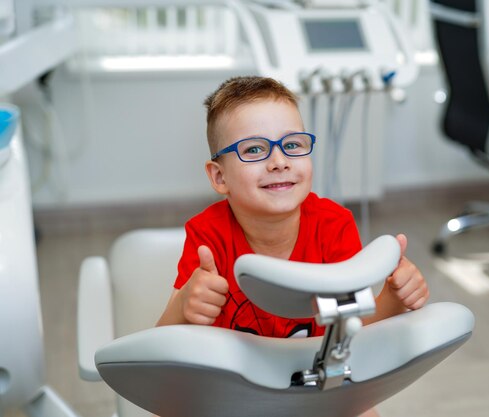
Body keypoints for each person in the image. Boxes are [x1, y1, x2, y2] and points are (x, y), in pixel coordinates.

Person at [156, 75, 430, 416]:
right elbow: (161, 347)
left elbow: (350, 340)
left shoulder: (334, 226)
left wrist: (394, 300)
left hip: (312, 389)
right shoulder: (207, 237)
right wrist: (185, 304)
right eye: (254, 149)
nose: (279, 161)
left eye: (293, 145)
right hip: (234, 394)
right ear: (219, 177)